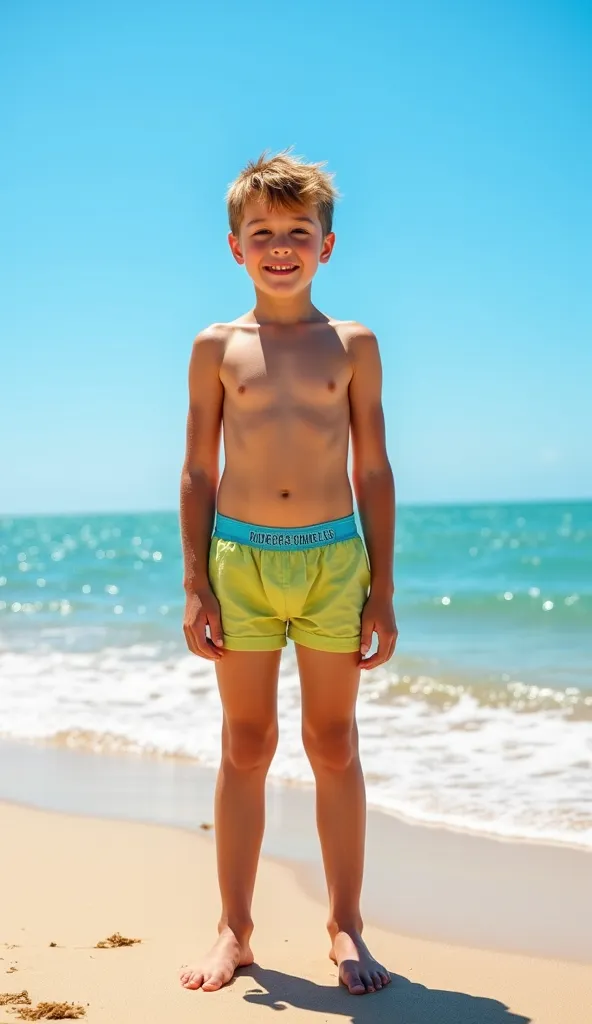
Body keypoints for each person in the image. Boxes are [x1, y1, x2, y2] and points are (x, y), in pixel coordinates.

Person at [179, 150, 398, 996]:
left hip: (335, 561)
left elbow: (373, 468)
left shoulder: (353, 344)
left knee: (333, 743)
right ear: (236, 246)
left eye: (297, 232)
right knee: (247, 743)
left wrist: (382, 587)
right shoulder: (214, 347)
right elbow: (198, 468)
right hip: (240, 561)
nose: (280, 247)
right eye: (262, 233)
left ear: (327, 246)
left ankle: (347, 925)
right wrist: (195, 582)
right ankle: (234, 928)